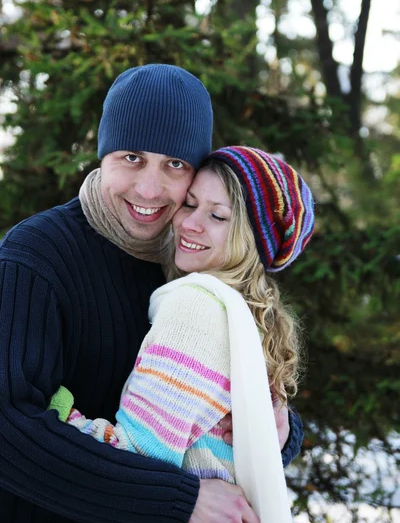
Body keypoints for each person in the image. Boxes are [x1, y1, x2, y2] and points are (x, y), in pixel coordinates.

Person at [0, 64, 303, 523]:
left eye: (175, 165)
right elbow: (8, 429)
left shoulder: (194, 265)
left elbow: (206, 425)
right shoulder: (36, 257)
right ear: (102, 154)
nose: (149, 188)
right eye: (131, 157)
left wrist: (277, 426)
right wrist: (178, 500)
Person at [50, 145, 314, 522]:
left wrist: (54, 406)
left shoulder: (196, 306)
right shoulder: (244, 310)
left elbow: (135, 457)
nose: (190, 224)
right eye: (190, 204)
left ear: (250, 240)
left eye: (218, 216)